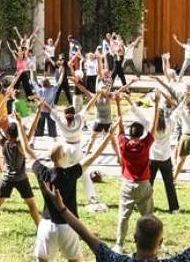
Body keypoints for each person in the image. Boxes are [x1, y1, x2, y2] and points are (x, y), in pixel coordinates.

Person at [40, 179, 190, 262]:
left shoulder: (115, 261)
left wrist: (61, 207)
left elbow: (86, 236)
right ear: (160, 243)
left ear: (133, 238)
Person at [18, 111, 119, 262]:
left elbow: (26, 150)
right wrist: (109, 137)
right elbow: (94, 156)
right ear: (63, 157)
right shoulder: (70, 174)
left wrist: (19, 124)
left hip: (46, 224)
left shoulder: (42, 172)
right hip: (68, 226)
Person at [112, 91, 160, 253]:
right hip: (144, 184)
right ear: (141, 134)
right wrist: (157, 103)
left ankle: (119, 244)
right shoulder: (145, 144)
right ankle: (154, 243)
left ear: (129, 133)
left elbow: (119, 126)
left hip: (127, 184)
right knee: (148, 217)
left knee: (123, 217)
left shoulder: (123, 144)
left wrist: (118, 103)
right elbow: (154, 126)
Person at [46, 92, 104, 210]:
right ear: (74, 113)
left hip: (65, 149)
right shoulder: (79, 118)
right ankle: (92, 197)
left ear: (65, 113)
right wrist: (96, 96)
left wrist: (41, 102)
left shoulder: (61, 120)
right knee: (85, 173)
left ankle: (58, 194)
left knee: (62, 173)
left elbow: (50, 110)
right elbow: (88, 106)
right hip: (77, 149)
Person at [0, 113, 42, 234]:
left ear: (8, 133)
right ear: (18, 134)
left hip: (6, 178)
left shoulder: (3, 142)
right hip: (21, 179)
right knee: (32, 205)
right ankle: (39, 228)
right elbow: (32, 130)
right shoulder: (21, 145)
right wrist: (38, 113)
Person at [30, 63, 65, 143]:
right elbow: (59, 82)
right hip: (51, 111)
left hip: (41, 111)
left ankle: (32, 142)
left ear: (42, 84)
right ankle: (56, 143)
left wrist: (31, 71)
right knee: (52, 127)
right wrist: (62, 72)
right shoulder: (53, 89)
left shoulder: (39, 91)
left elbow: (33, 81)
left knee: (38, 127)